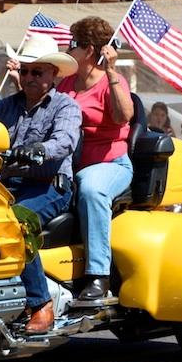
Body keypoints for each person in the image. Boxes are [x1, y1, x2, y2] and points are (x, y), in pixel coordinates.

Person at [0, 33, 81, 333]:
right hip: (7, 186)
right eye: (24, 71)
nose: (28, 77)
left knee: (17, 222)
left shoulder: (65, 107)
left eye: (36, 71)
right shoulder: (7, 106)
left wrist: (40, 149)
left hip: (49, 185)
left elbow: (64, 141)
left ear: (53, 74)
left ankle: (41, 303)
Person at [58, 17, 135, 301]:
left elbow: (124, 116)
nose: (68, 49)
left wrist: (112, 71)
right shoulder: (65, 82)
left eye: (73, 44)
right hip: (69, 163)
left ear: (89, 50)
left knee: (90, 189)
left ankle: (98, 276)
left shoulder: (110, 82)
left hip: (111, 164)